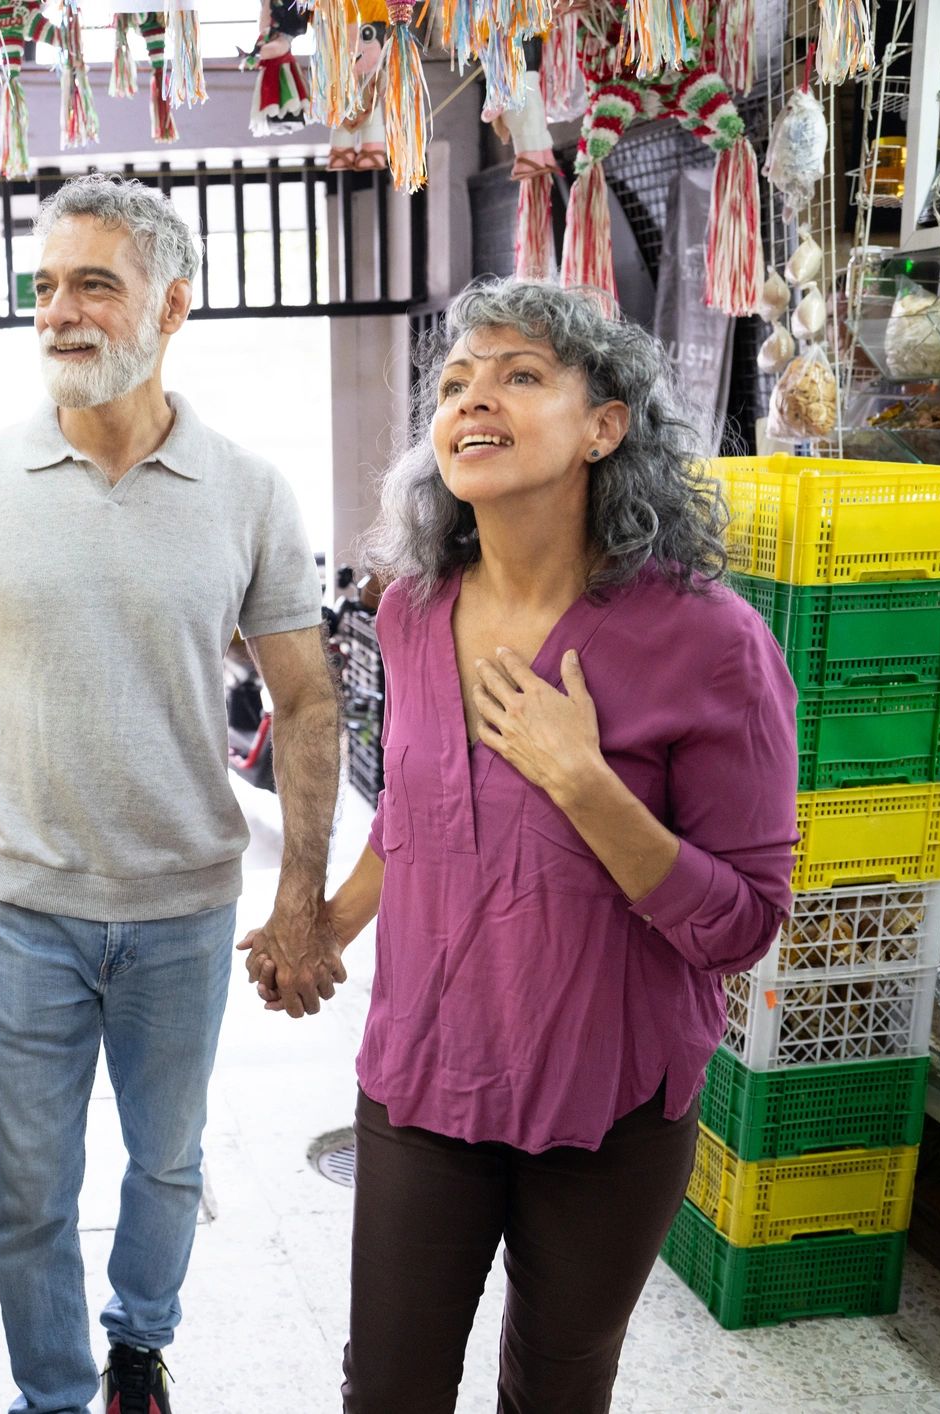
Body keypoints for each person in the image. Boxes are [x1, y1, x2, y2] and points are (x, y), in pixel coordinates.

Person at [263, 278, 797, 1413]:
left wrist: (585, 783)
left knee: (555, 1389)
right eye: (455, 381)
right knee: (388, 1388)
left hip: (607, 1098)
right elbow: (421, 816)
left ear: (606, 426)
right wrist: (321, 924)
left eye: (519, 374)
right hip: (425, 1076)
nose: (473, 398)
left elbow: (743, 922)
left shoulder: (710, 641)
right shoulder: (411, 612)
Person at [0, 173, 341, 1414]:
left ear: (172, 306)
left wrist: (302, 891)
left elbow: (308, 700)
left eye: (94, 283)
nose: (60, 312)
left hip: (184, 903)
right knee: (28, 1186)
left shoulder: (249, 490)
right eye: (45, 286)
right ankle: (52, 1395)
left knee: (165, 1161)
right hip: (24, 900)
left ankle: (138, 1342)